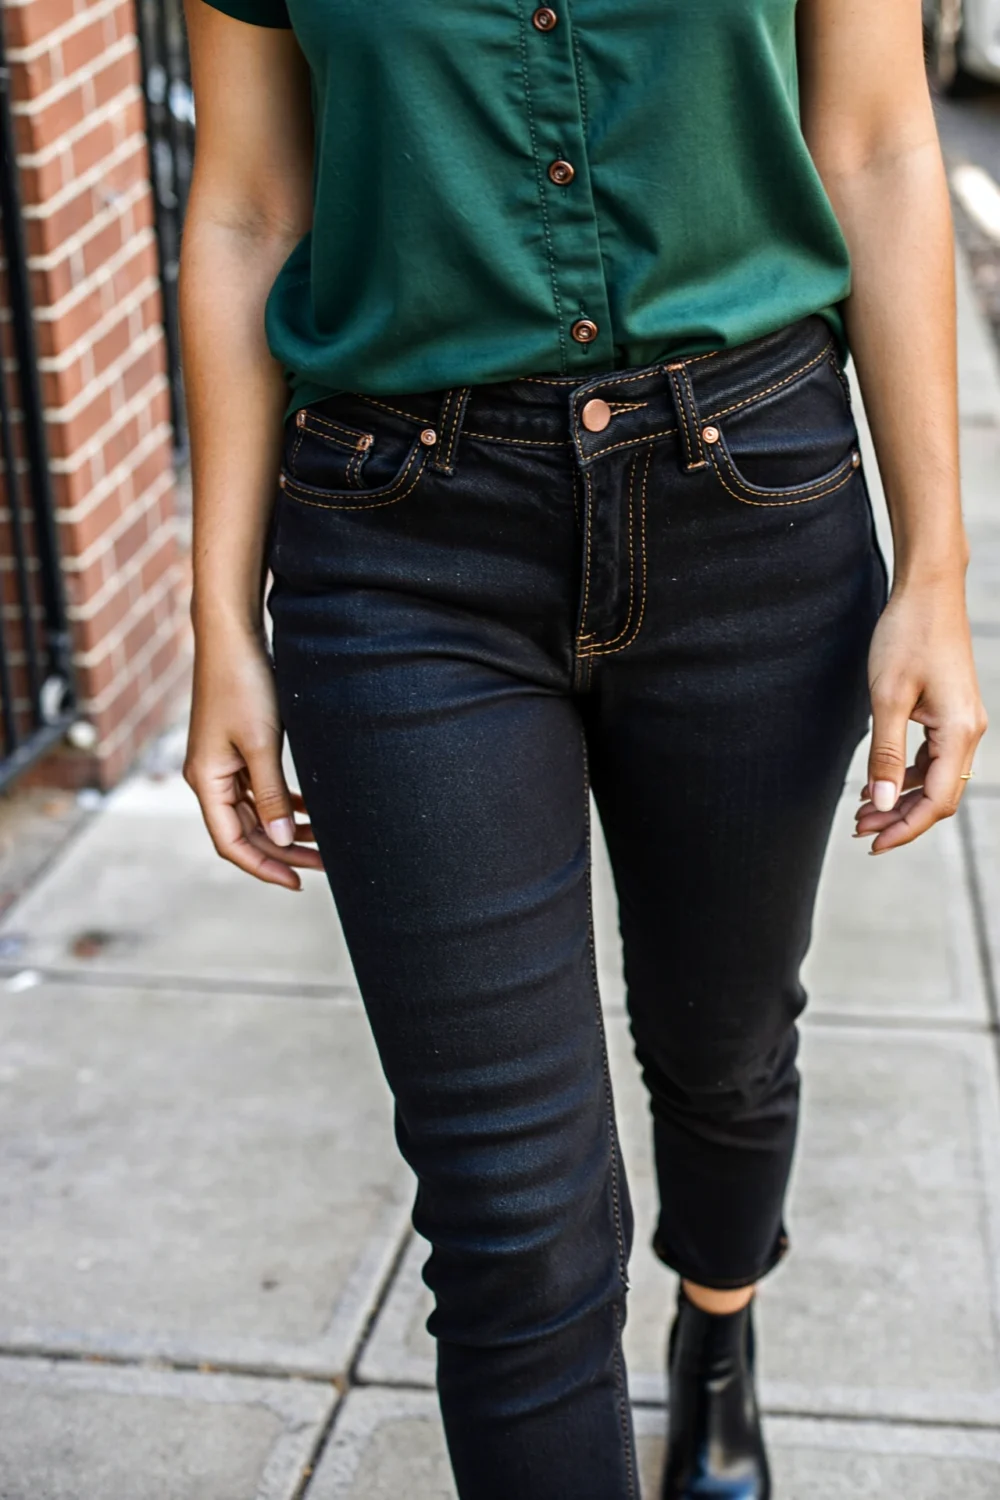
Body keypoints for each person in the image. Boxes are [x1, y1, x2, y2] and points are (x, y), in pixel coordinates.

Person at [179, 2, 987, 1496]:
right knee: (510, 1212)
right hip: (403, 545)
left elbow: (875, 146)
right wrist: (221, 617)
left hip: (750, 504)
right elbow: (244, 204)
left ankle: (720, 1334)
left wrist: (936, 568)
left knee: (726, 1043)